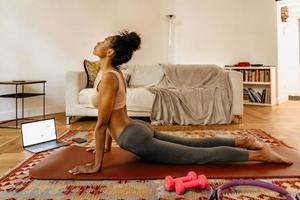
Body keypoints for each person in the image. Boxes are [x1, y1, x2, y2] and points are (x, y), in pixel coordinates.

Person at [69, 31, 291, 175]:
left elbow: (101, 124)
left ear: (109, 52)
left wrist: (96, 165)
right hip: (135, 128)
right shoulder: (112, 73)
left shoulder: (108, 77)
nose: (98, 42)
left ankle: (260, 155)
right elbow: (109, 117)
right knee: (194, 145)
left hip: (133, 137)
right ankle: (243, 142)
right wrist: (106, 149)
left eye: (103, 42)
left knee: (198, 156)